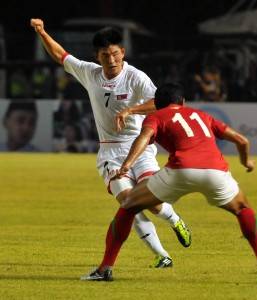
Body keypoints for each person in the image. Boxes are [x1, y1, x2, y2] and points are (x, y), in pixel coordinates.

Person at [30, 18, 191, 271]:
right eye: (105, 55)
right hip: (110, 152)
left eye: (115, 53)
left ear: (122, 52)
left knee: (153, 202)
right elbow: (60, 54)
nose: (111, 60)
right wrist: (41, 32)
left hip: (141, 147)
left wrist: (131, 110)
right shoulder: (90, 73)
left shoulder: (136, 77)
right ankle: (162, 255)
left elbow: (162, 102)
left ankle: (174, 219)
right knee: (129, 202)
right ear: (98, 56)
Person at [86, 83, 257, 283]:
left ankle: (104, 268)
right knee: (243, 209)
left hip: (181, 170)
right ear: (183, 102)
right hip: (216, 171)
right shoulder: (202, 115)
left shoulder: (156, 116)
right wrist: (246, 161)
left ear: (157, 104)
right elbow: (242, 141)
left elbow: (144, 137)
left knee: (129, 206)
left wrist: (127, 165)